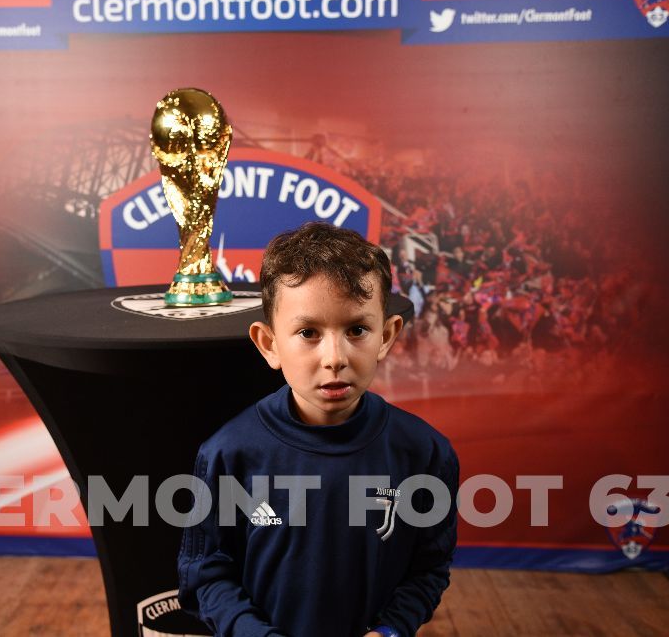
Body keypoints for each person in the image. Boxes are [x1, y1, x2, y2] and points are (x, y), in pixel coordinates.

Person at [177, 222, 459, 636]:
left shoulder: (424, 453)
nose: (334, 357)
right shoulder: (227, 453)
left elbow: (429, 569)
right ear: (269, 344)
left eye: (357, 330)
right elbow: (204, 577)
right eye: (309, 333)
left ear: (387, 335)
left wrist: (392, 630)